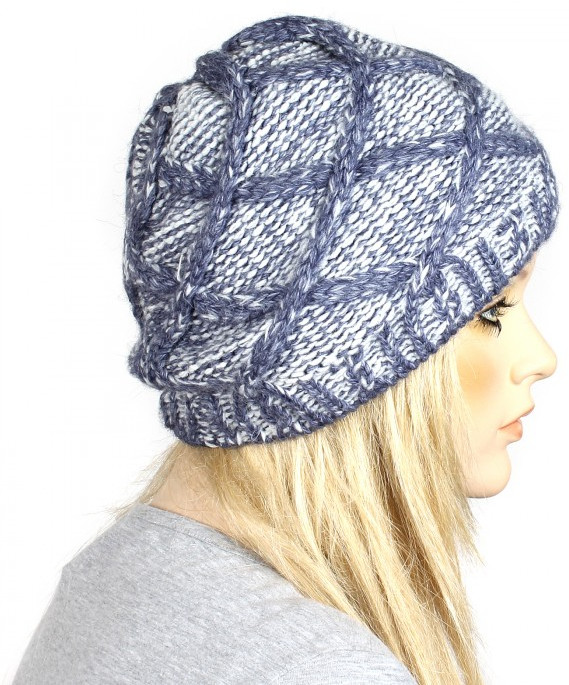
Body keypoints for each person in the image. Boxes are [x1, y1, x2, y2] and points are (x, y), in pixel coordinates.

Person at [12, 14, 560, 685]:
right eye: (489, 309)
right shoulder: (321, 669)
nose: (542, 357)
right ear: (338, 350)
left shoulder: (108, 583)